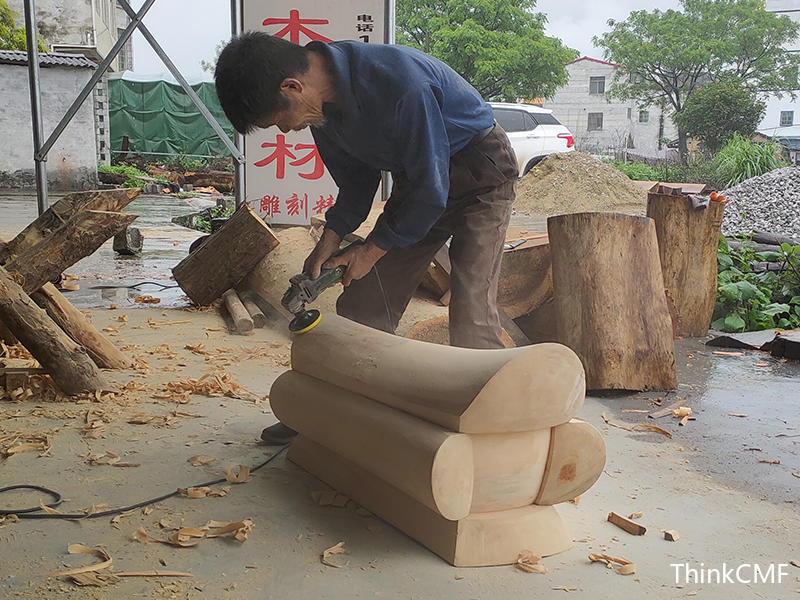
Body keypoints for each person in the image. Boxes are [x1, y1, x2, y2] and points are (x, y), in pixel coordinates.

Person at [215, 32, 518, 444]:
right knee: (365, 300)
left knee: (471, 310)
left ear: (292, 87)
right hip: (421, 178)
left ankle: (498, 432)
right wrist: (331, 239)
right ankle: (328, 409)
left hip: (480, 171)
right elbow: (357, 182)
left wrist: (372, 250)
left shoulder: (399, 83)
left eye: (279, 121)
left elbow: (433, 190)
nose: (285, 132)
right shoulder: (320, 108)